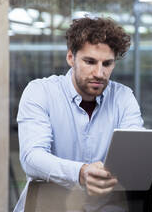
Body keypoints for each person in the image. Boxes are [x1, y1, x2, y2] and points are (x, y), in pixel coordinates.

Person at [13, 17, 144, 212]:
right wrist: (80, 173)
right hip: (48, 205)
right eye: (90, 62)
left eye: (107, 64)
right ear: (71, 58)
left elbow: (135, 150)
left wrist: (141, 162)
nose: (99, 73)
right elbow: (32, 158)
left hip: (105, 207)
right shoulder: (40, 92)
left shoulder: (123, 97)